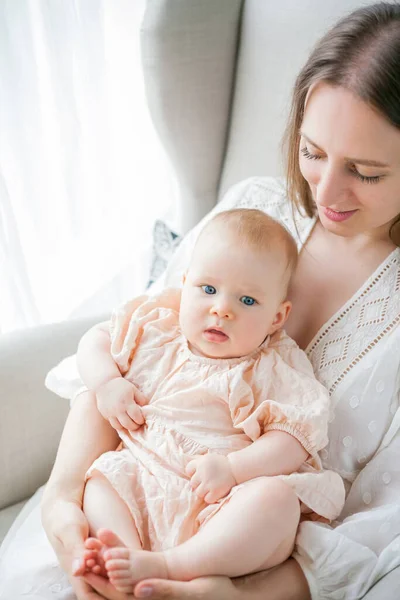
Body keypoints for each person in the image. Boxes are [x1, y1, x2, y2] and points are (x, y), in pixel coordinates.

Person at [1, 2, 397, 599]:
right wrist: (65, 502)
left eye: (365, 172)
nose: (325, 192)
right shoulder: (253, 209)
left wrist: (234, 596)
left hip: (245, 568)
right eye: (312, 152)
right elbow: (140, 355)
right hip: (124, 496)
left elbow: (383, 522)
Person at [64, 209, 343, 593]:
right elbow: (93, 340)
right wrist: (107, 382)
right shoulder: (158, 328)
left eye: (247, 300)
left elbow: (293, 440)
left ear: (277, 317)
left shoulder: (274, 367)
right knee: (101, 478)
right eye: (208, 290)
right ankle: (123, 556)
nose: (221, 309)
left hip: (218, 504)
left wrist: (233, 467)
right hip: (141, 478)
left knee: (277, 502)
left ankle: (170, 565)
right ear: (185, 284)